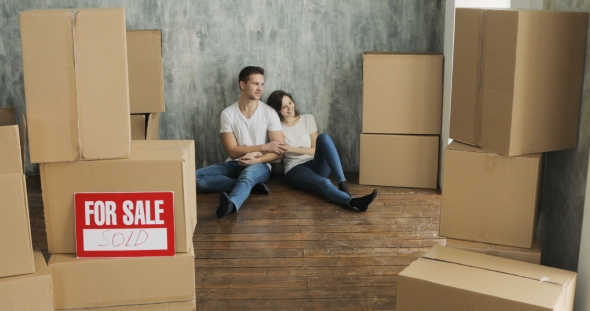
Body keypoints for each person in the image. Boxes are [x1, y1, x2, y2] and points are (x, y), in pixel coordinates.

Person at [267, 90, 377, 211]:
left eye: (290, 103)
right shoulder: (277, 128)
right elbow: (279, 154)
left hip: (315, 163)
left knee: (324, 137)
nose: (290, 108)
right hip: (295, 168)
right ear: (277, 110)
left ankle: (342, 185)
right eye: (284, 107)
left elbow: (314, 151)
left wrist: (291, 148)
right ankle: (352, 202)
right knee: (324, 183)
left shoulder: (308, 119)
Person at [197, 66, 284, 218]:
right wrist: (263, 146)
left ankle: (231, 204)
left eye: (262, 84)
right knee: (196, 178)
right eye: (255, 84)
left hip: (260, 164)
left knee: (247, 175)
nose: (260, 89)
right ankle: (250, 186)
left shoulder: (269, 113)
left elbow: (279, 153)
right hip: (234, 162)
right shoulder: (228, 114)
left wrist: (257, 158)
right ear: (242, 85)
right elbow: (232, 151)